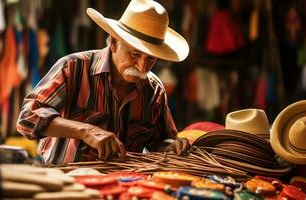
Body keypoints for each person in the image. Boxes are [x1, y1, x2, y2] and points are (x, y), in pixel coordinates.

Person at [17, 0, 190, 164]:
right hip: (66, 179)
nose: (143, 66)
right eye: (134, 54)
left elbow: (161, 141)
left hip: (125, 185)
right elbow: (27, 118)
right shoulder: (74, 67)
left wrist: (172, 146)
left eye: (151, 59)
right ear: (114, 43)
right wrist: (86, 131)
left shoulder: (154, 90)